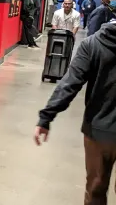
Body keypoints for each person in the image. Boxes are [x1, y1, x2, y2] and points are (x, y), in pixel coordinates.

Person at [35, 19, 116, 205]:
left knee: (96, 190)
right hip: (99, 130)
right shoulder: (94, 43)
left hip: (98, 131)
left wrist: (46, 117)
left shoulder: (93, 43)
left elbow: (70, 83)